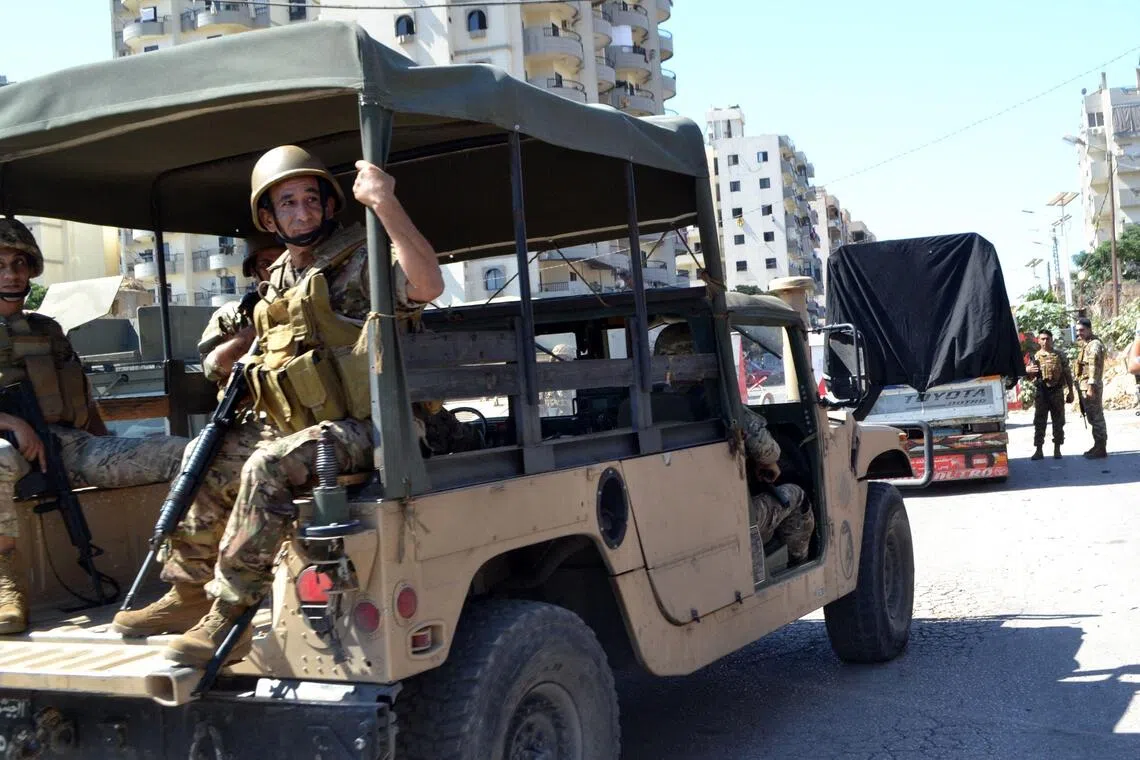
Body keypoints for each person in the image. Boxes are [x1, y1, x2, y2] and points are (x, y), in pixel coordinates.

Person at [114, 145, 445, 666]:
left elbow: (428, 284)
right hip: (306, 426)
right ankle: (187, 592)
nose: (302, 211)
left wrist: (384, 204)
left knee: (266, 465)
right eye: (287, 203)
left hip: (373, 428)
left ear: (329, 207)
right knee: (209, 454)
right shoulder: (279, 281)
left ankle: (231, 617)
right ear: (268, 218)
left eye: (310, 199)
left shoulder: (362, 258)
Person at [0, 218, 188, 634]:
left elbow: (81, 398)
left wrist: (106, 446)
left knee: (184, 453)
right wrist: (9, 422)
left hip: (67, 444)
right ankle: (4, 585)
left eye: (19, 263)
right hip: (8, 451)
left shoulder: (47, 330)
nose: (11, 275)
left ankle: (193, 581)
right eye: (0, 265)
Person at [653, 324, 815, 563]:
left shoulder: (647, 406)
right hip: (726, 519)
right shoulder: (717, 404)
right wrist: (767, 464)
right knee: (797, 496)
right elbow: (768, 452)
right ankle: (800, 566)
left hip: (665, 521)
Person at [1025, 329, 1073, 460]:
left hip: (1057, 392)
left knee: (1058, 421)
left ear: (1052, 340)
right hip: (1042, 392)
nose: (1045, 341)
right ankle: (1038, 450)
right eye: (1042, 339)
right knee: (1040, 422)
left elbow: (1068, 374)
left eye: (1047, 338)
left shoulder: (1060, 355)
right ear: (1039, 341)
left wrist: (1071, 392)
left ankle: (1057, 449)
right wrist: (1028, 371)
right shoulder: (1035, 357)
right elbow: (1029, 377)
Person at [1073, 317, 1107, 459]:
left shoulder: (1094, 345)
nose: (1079, 333)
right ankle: (1097, 445)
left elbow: (1092, 367)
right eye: (1077, 331)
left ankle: (1101, 448)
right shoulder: (1087, 344)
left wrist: (1091, 387)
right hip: (1085, 384)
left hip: (1090, 385)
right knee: (1092, 417)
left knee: (1096, 417)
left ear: (1089, 329)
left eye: (1082, 330)